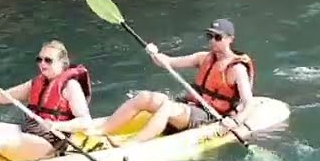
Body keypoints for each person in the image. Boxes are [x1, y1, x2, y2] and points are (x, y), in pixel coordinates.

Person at [91, 19, 254, 144]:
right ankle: (100, 131)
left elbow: (248, 103)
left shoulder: (236, 69)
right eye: (210, 36)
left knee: (167, 107)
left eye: (218, 37)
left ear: (230, 39)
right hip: (192, 107)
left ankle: (132, 145)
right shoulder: (202, 58)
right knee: (146, 97)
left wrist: (235, 121)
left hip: (210, 115)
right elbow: (168, 62)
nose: (212, 41)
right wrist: (154, 53)